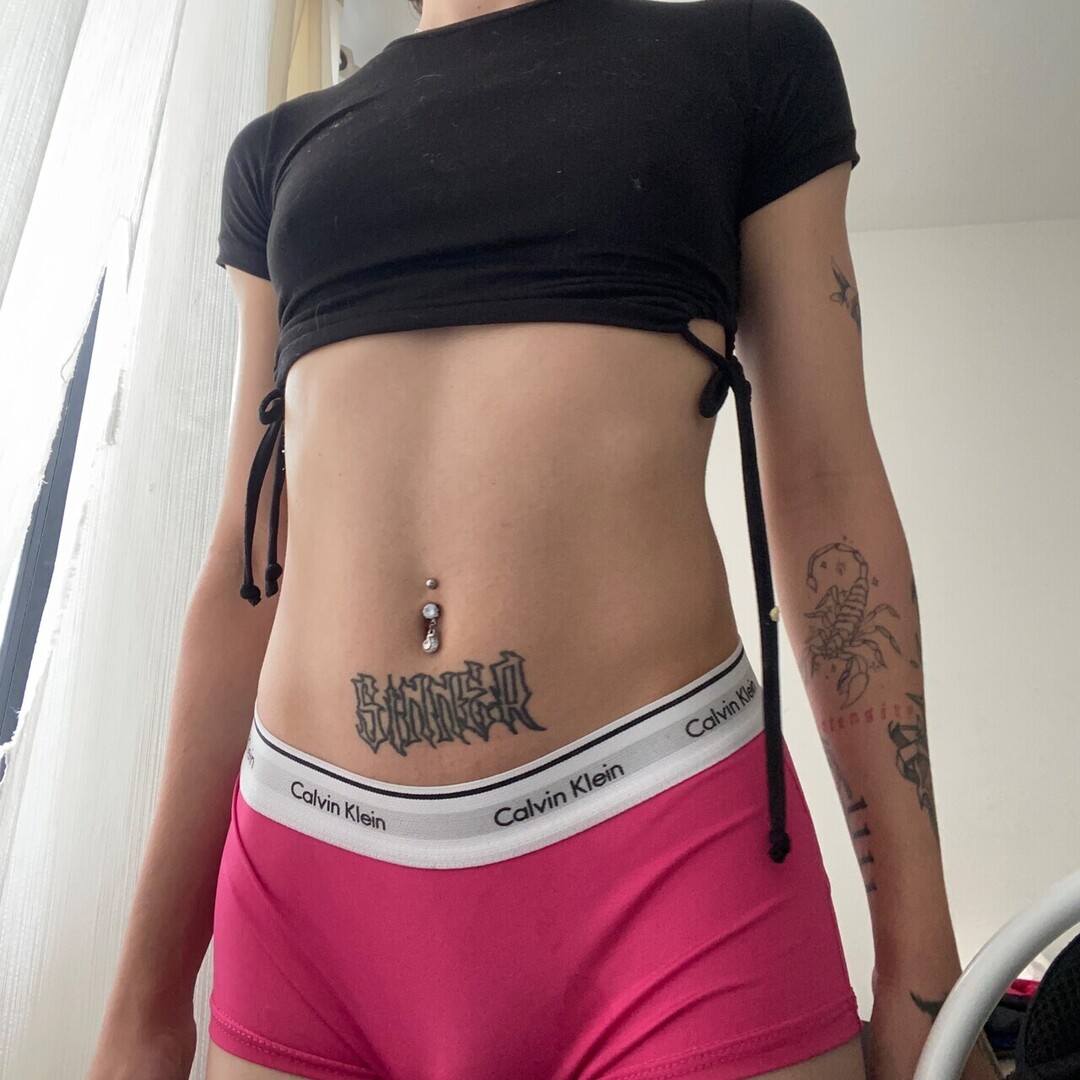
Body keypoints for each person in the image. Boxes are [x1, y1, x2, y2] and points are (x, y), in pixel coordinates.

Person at [86, 1, 1003, 1079]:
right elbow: (249, 561)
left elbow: (827, 485)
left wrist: (920, 967)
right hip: (306, 880)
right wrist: (147, 1003)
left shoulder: (750, 58)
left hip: (661, 851)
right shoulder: (277, 149)